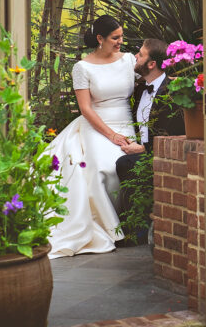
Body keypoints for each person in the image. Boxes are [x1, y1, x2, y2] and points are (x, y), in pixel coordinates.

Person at [46, 15, 144, 259]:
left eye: (122, 36)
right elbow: (86, 109)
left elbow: (152, 80)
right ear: (100, 39)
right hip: (96, 124)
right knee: (101, 168)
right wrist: (111, 135)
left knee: (123, 165)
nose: (121, 41)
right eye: (115, 38)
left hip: (126, 122)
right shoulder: (82, 67)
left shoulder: (129, 60)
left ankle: (128, 223)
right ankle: (109, 229)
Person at [115, 39, 185, 241]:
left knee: (125, 163)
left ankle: (138, 231)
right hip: (141, 149)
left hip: (164, 155)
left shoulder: (172, 91)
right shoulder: (139, 89)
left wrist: (143, 148)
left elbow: (171, 133)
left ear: (151, 63)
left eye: (141, 54)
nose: (136, 57)